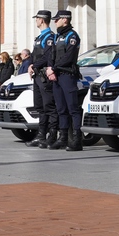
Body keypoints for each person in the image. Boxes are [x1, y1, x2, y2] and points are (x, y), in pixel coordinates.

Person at [48, 9, 83, 151]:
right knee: (61, 108)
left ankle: (77, 139)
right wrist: (50, 68)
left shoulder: (72, 36)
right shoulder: (57, 36)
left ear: (65, 19)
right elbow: (52, 54)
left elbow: (69, 57)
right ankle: (62, 138)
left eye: (57, 19)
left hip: (67, 75)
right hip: (57, 76)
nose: (55, 22)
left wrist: (54, 68)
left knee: (73, 108)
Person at [28, 11, 57, 148]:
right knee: (40, 106)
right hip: (37, 75)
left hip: (44, 76)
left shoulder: (49, 37)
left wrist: (34, 65)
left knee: (49, 106)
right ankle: (41, 135)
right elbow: (34, 55)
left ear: (42, 20)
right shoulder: (39, 38)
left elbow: (47, 56)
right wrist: (30, 65)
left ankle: (51, 135)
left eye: (37, 19)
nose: (36, 21)